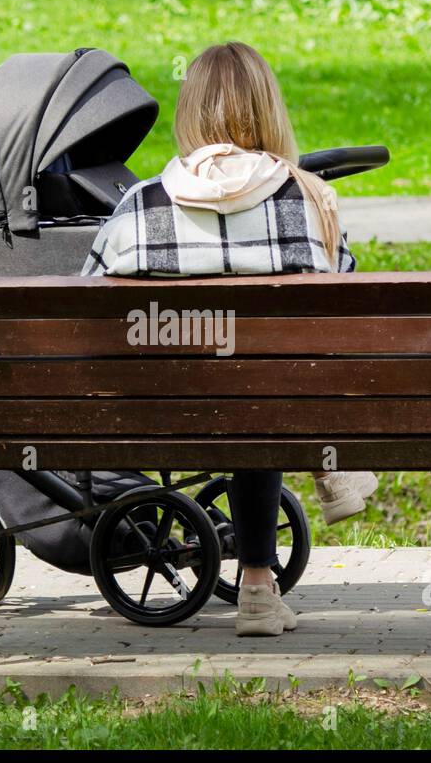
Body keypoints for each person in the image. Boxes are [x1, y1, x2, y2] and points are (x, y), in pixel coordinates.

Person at [82, 41, 377, 634]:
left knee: (243, 382)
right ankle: (263, 584)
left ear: (189, 113)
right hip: (269, 412)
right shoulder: (310, 197)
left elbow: (83, 312)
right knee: (260, 382)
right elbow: (348, 313)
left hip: (152, 413)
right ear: (269, 111)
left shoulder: (139, 206)